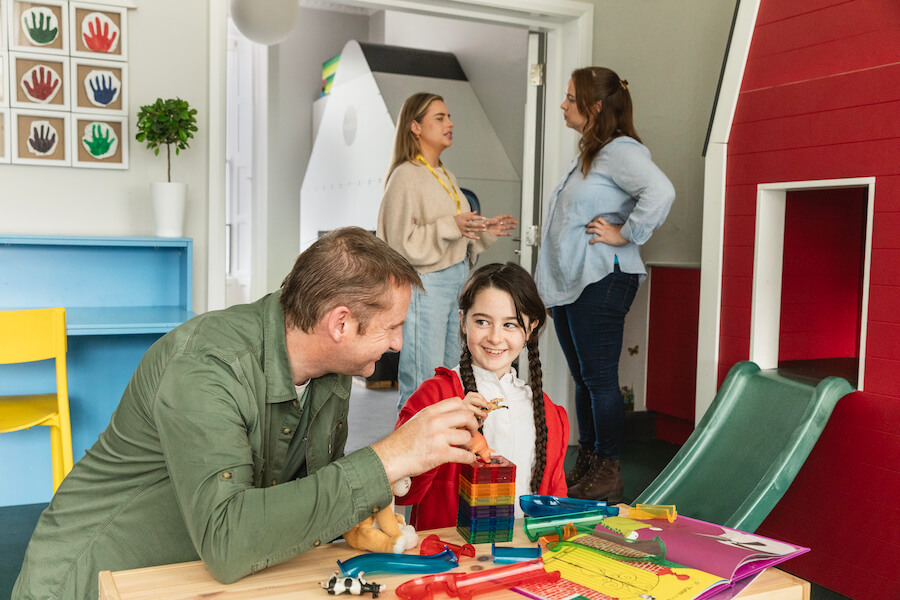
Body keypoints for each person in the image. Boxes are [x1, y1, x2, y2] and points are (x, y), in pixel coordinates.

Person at [12, 227, 481, 600]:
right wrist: (387, 459)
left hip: (194, 579)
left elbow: (291, 495)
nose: (399, 343)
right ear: (339, 323)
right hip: (96, 580)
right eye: (392, 326)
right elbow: (228, 540)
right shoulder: (206, 367)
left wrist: (352, 511)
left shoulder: (332, 368)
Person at [534, 67, 675, 503]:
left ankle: (609, 470)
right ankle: (591, 462)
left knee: (598, 379)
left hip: (603, 279)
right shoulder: (592, 155)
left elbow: (662, 192)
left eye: (570, 97)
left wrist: (626, 233)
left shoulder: (619, 152)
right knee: (583, 378)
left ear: (595, 107)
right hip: (577, 283)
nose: (562, 104)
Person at [395, 262, 569, 530]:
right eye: (482, 321)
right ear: (463, 320)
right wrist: (445, 429)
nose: (495, 337)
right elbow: (402, 493)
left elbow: (557, 505)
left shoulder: (550, 414)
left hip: (524, 560)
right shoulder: (433, 398)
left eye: (510, 324)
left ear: (531, 328)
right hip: (451, 562)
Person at [377, 92, 517, 409]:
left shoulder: (446, 175)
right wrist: (451, 225)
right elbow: (398, 247)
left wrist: (483, 232)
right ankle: (414, 456)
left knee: (453, 377)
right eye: (439, 118)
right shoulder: (405, 176)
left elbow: (457, 240)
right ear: (415, 126)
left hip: (457, 281)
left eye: (449, 117)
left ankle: (444, 456)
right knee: (422, 384)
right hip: (425, 285)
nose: (450, 123)